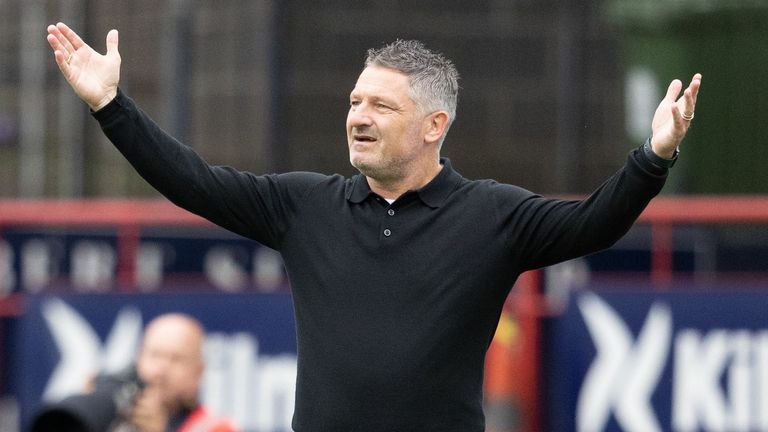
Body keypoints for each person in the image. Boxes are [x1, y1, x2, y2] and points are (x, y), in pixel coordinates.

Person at [46, 22, 701, 431]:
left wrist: (653, 158)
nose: (358, 115)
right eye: (355, 101)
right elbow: (190, 179)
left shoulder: (492, 214)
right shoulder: (304, 205)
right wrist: (110, 105)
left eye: (381, 105)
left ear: (432, 126)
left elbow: (595, 224)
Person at [119, 313, 238, 432]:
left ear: (198, 372)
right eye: (155, 355)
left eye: (176, 359)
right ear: (139, 359)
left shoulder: (216, 428)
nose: (162, 369)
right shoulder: (115, 417)